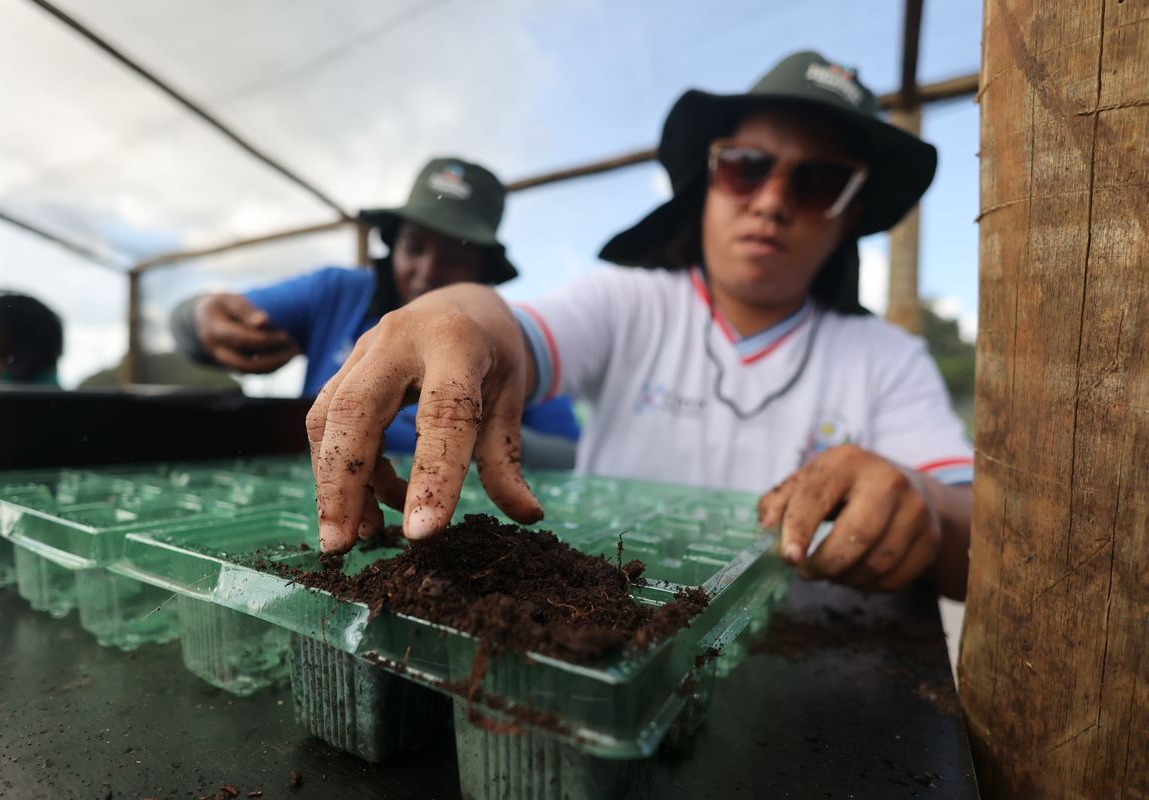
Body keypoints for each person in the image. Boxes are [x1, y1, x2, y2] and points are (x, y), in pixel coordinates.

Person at [303, 52, 974, 601]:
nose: (771, 202)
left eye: (819, 183)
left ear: (851, 215)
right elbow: (506, 329)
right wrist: (448, 319)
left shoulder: (889, 358)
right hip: (620, 611)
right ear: (708, 183)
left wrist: (921, 500)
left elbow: (978, 537)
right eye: (747, 167)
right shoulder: (631, 303)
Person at [171, 157, 580, 467]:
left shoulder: (504, 336)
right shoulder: (337, 292)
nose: (427, 271)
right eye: (415, 247)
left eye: (455, 257)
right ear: (393, 244)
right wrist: (198, 318)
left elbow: (567, 452)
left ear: (482, 271)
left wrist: (457, 426)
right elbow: (201, 325)